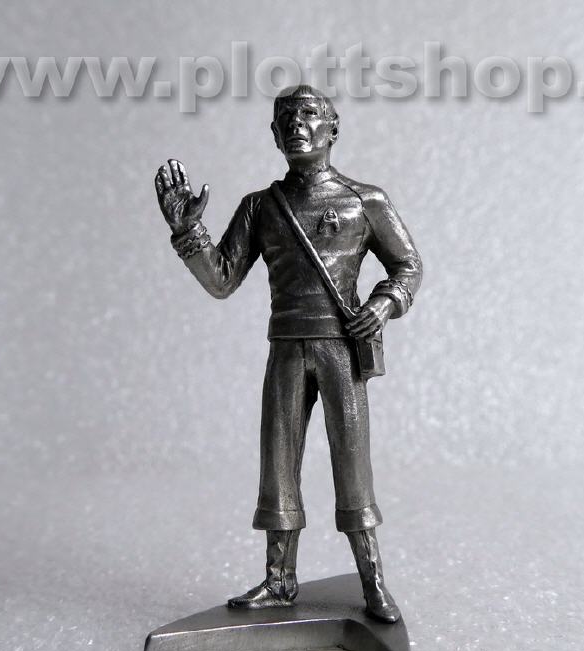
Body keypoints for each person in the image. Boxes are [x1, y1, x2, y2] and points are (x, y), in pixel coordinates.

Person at [154, 85, 422, 622]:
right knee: (277, 462)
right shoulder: (260, 207)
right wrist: (188, 230)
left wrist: (383, 304)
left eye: (310, 113)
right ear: (274, 135)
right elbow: (222, 279)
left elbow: (408, 265)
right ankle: (279, 580)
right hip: (285, 348)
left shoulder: (365, 200)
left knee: (353, 462)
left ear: (333, 128)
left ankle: (372, 579)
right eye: (286, 117)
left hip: (341, 348)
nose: (298, 123)